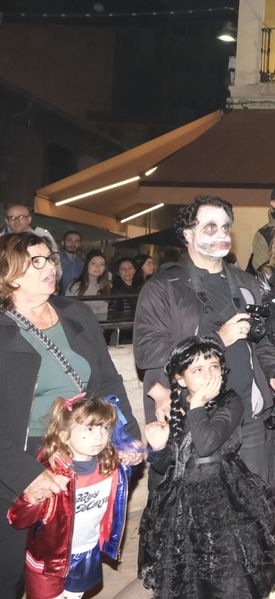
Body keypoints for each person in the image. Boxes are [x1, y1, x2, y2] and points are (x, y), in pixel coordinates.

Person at [0, 233, 143, 595]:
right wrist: (27, 475)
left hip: (81, 456)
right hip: (22, 460)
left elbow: (109, 380)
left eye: (50, 258)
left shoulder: (74, 312)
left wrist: (126, 435)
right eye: (37, 261)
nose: (50, 266)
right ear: (9, 273)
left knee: (65, 570)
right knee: (11, 572)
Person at [132, 196, 275, 482]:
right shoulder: (164, 286)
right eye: (210, 227)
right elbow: (147, 350)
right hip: (195, 419)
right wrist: (217, 339)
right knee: (196, 516)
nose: (221, 234)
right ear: (188, 234)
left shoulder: (247, 283)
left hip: (248, 416)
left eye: (226, 227)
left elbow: (261, 341)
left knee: (252, 511)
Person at [139, 337, 275, 599]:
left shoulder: (230, 401)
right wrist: (158, 450)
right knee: (190, 579)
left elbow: (206, 444)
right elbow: (169, 463)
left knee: (228, 577)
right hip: (182, 505)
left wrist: (197, 405)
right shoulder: (175, 406)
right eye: (198, 369)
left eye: (214, 366)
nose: (209, 374)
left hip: (222, 499)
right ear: (180, 379)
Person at [7, 395, 141, 599]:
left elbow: (117, 495)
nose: (99, 437)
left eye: (105, 428)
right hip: (48, 562)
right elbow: (17, 519)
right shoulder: (49, 474)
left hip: (87, 552)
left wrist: (130, 460)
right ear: (64, 435)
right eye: (89, 429)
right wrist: (34, 497)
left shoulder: (109, 468)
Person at [65, 251, 111, 323]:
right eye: (93, 263)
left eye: (102, 264)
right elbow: (68, 310)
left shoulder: (105, 286)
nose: (98, 267)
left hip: (101, 328)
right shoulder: (75, 286)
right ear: (86, 265)